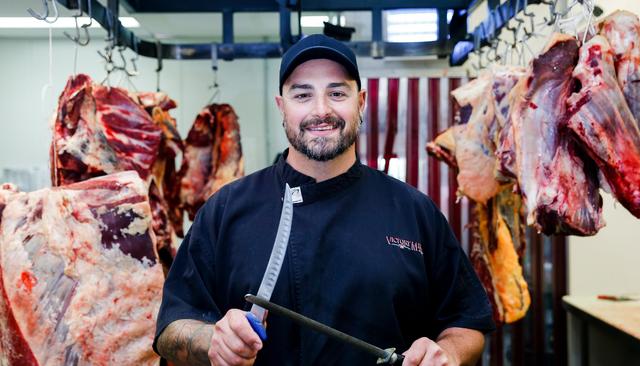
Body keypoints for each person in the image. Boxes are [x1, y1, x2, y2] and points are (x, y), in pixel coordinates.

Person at [154, 34, 495, 366]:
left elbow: (468, 321)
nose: (321, 110)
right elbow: (171, 328)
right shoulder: (226, 209)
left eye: (336, 93)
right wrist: (211, 341)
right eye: (302, 95)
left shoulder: (414, 211)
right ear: (281, 106)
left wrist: (448, 353)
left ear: (360, 102)